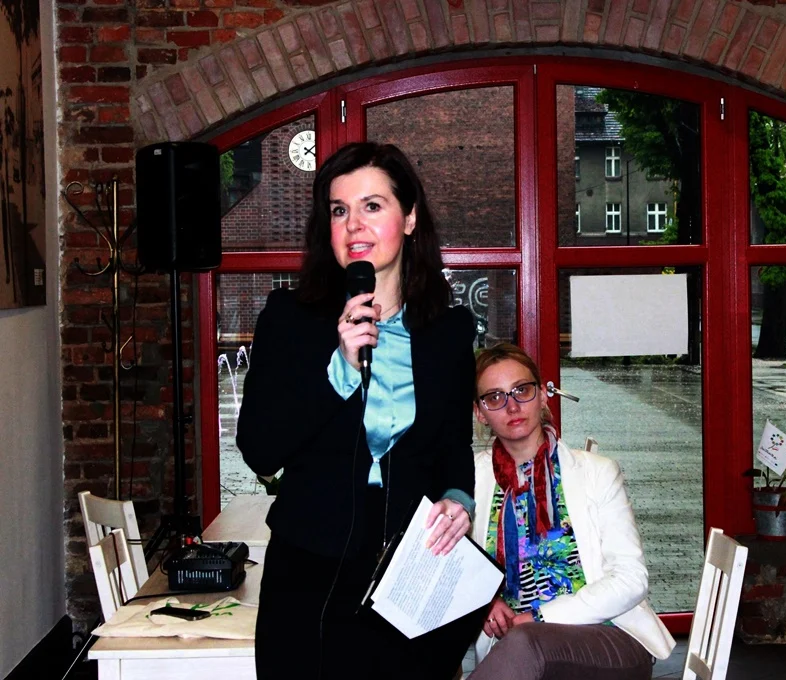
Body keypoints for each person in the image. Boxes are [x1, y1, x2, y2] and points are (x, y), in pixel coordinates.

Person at [236, 142, 476, 679]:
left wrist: (459, 499)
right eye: (339, 210)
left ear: (409, 218)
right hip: (308, 575)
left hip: (407, 573)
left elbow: (453, 446)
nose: (353, 225)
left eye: (372, 206)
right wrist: (340, 370)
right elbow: (260, 450)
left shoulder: (449, 331)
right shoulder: (288, 319)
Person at [469, 344, 676, 680]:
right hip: (517, 648)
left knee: (526, 643)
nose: (512, 406)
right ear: (480, 413)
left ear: (542, 396)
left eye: (522, 390)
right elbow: (455, 567)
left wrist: (539, 618)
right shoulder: (472, 480)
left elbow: (631, 579)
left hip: (609, 636)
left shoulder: (597, 472)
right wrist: (487, 601)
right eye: (495, 397)